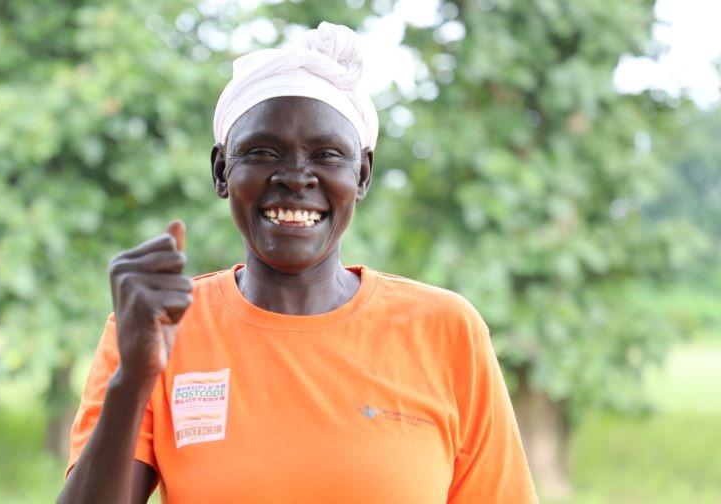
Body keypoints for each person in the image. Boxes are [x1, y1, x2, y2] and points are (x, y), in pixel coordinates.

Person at [57, 22, 537, 504]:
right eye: (263, 152)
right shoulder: (156, 330)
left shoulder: (445, 330)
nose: (294, 177)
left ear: (363, 175)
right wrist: (132, 381)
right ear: (222, 171)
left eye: (327, 154)